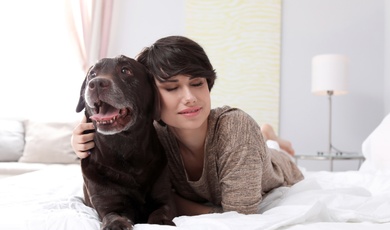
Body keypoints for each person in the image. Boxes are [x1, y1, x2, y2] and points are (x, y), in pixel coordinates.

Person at [71, 35, 304, 216]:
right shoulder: (152, 137)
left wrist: (193, 209)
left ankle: (267, 136)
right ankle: (265, 133)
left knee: (270, 149)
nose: (190, 97)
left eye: (197, 83)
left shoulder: (236, 128)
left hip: (275, 167)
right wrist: (79, 137)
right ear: (150, 95)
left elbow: (239, 216)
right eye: (171, 88)